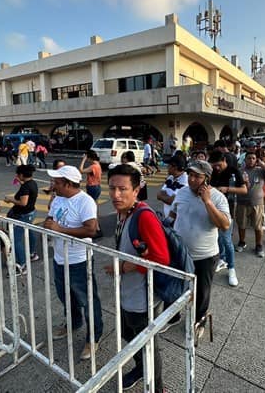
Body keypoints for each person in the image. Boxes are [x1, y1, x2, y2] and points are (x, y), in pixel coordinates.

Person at [105, 164, 170, 390]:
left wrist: (123, 267)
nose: (115, 194)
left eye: (122, 189)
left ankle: (158, 387)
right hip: (127, 293)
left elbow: (162, 258)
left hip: (143, 298)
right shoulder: (123, 213)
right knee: (129, 334)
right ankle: (142, 369)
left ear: (136, 190)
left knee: (147, 345)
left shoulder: (144, 216)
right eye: (112, 188)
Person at [44, 165, 103, 361]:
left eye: (57, 183)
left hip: (79, 260)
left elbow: (91, 230)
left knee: (87, 300)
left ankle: (93, 337)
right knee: (65, 296)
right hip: (59, 257)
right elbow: (51, 218)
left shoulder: (85, 201)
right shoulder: (58, 199)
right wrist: (49, 223)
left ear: (69, 184)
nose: (53, 185)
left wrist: (59, 229)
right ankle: (74, 323)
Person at [169, 160, 230, 339]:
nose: (192, 179)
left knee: (202, 292)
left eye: (197, 176)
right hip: (180, 251)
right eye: (191, 175)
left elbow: (225, 225)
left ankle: (199, 321)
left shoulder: (217, 197)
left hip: (205, 255)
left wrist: (207, 202)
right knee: (175, 286)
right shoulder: (181, 192)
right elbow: (174, 213)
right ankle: (173, 316)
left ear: (207, 179)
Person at [207, 150, 247, 287]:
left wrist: (227, 189)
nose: (216, 168)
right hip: (212, 209)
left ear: (224, 160)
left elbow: (244, 190)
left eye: (218, 165)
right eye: (214, 166)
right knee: (217, 238)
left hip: (228, 210)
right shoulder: (213, 172)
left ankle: (231, 268)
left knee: (226, 239)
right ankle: (222, 259)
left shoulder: (234, 171)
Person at [236, 152, 265, 257]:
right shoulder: (240, 171)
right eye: (249, 158)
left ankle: (259, 245)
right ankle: (242, 242)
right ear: (245, 160)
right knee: (241, 224)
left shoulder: (260, 171)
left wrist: (262, 164)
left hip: (257, 203)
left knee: (258, 226)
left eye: (253, 158)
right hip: (242, 202)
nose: (251, 160)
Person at [4, 164, 39, 273]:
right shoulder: (32, 183)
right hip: (30, 212)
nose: (17, 176)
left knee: (15, 240)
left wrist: (10, 199)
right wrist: (20, 182)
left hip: (23, 214)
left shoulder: (25, 187)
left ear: (22, 175)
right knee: (30, 232)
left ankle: (22, 264)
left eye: (18, 174)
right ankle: (32, 254)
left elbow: (23, 203)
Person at [79, 150, 103, 238]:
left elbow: (81, 170)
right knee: (95, 208)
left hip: (92, 188)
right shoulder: (98, 165)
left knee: (91, 210)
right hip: (97, 187)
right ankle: (97, 228)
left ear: (89, 157)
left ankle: (95, 229)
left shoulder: (93, 166)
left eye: (87, 158)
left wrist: (83, 160)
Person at [156, 154, 188, 219]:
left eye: (169, 165)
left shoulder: (185, 181)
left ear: (175, 167)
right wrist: (167, 198)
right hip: (167, 218)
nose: (167, 167)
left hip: (177, 220)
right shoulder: (170, 177)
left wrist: (164, 197)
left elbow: (173, 201)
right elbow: (158, 195)